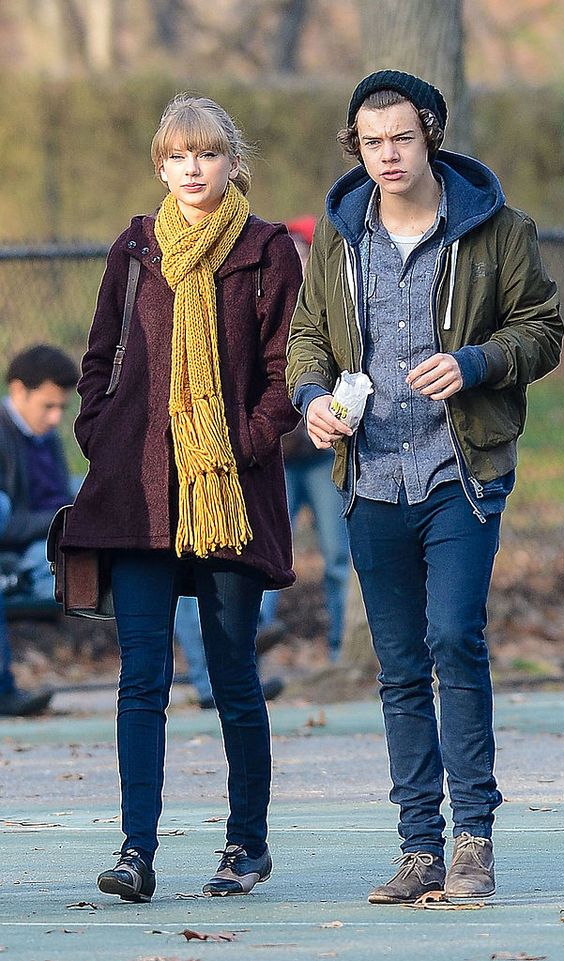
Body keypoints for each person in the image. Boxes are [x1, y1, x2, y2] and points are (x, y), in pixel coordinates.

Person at [286, 70, 564, 904]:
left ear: (431, 134)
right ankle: (419, 849)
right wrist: (312, 403)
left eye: (401, 137)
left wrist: (476, 362)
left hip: (459, 472)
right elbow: (307, 336)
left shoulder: (498, 229)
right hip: (370, 477)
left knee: (453, 638)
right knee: (401, 665)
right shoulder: (338, 235)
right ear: (355, 147)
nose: (387, 155)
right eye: (371, 142)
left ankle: (473, 837)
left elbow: (542, 328)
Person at [61, 94, 301, 901]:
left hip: (226, 492)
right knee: (141, 680)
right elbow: (98, 358)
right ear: (160, 164)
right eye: (178, 156)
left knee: (232, 673)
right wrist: (103, 433)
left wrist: (240, 448)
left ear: (234, 161)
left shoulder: (268, 251)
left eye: (207, 154)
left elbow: (282, 376)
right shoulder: (135, 247)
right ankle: (136, 851)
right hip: (138, 498)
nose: (192, 169)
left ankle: (247, 843)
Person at [260, 218, 350, 661]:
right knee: (268, 553)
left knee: (338, 557)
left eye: (302, 249)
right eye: (288, 249)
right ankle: (253, 645)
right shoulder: (264, 299)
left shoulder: (332, 303)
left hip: (321, 452)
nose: (294, 257)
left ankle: (342, 649)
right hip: (276, 452)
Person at [0, 344, 79, 716]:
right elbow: (7, 522)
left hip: (54, 542)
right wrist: (65, 517)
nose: (54, 418)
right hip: (20, 558)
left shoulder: (46, 437)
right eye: (48, 406)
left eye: (61, 408)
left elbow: (63, 495)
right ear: (18, 390)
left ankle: (220, 657)